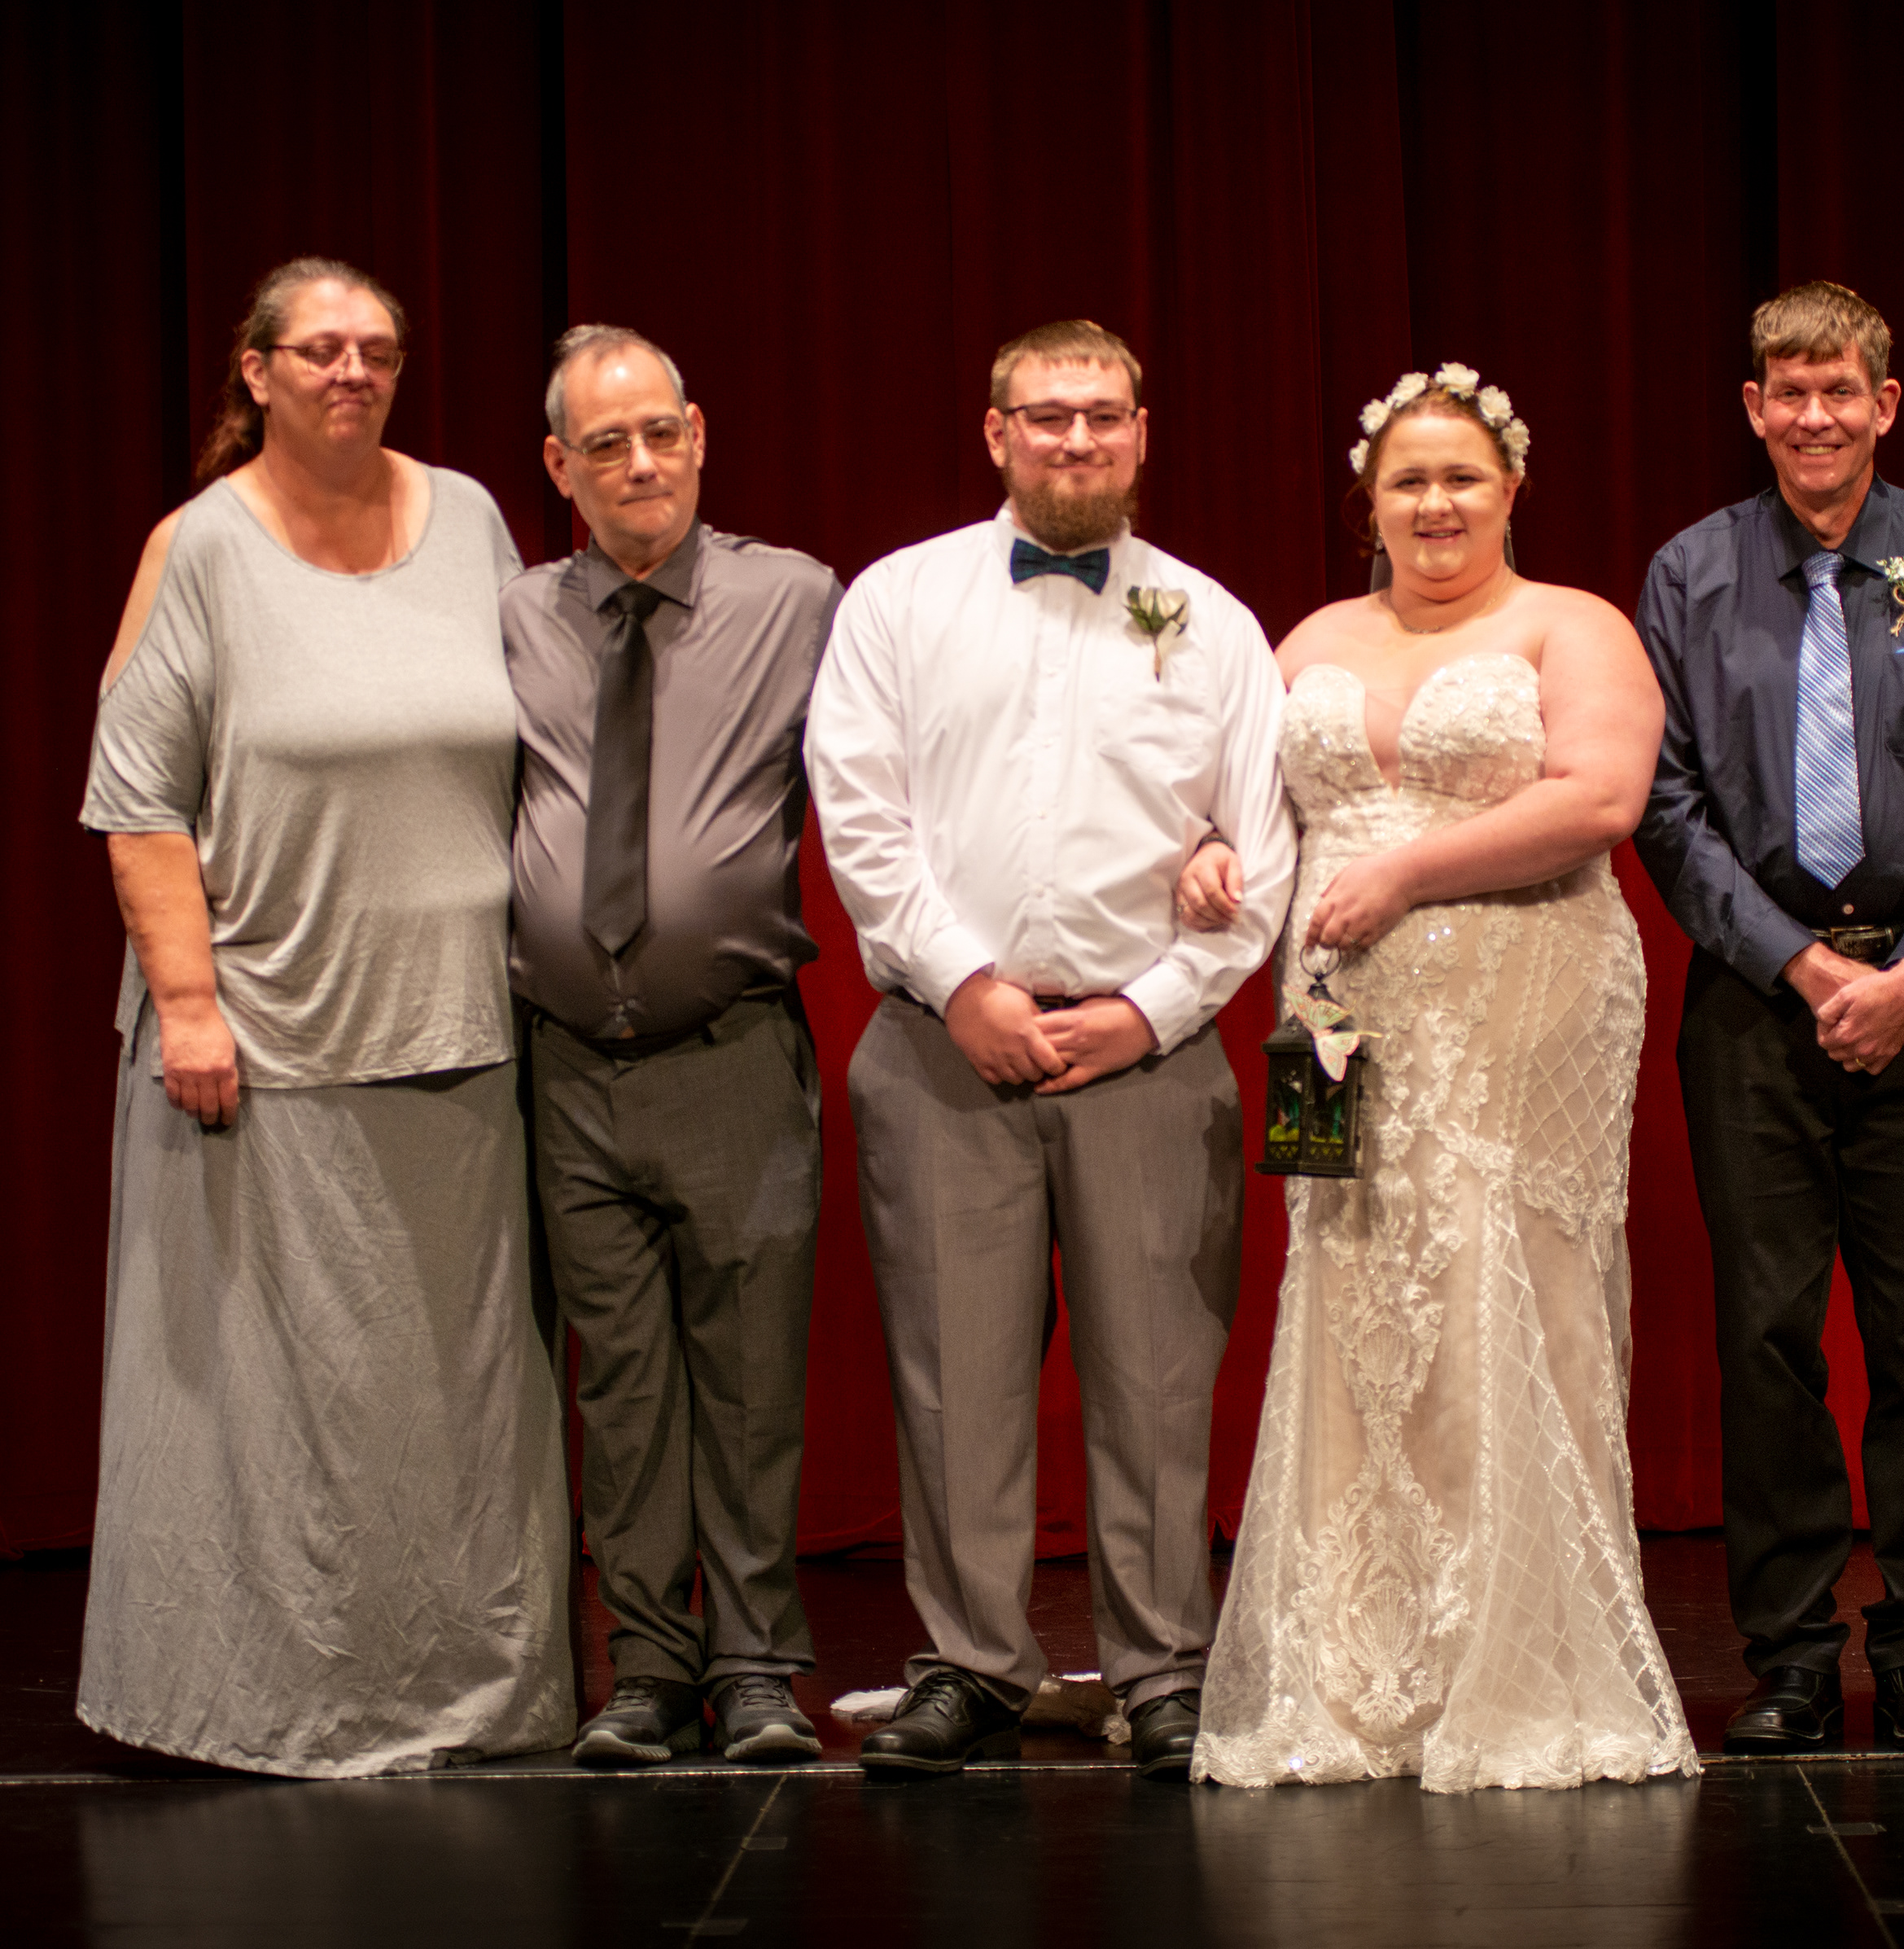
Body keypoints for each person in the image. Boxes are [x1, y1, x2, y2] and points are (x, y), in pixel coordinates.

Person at [77, 256, 570, 1776]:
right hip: (264, 1040)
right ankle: (257, 1706)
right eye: (320, 350)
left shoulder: (471, 519)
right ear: (258, 371)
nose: (352, 372)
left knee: (450, 1403)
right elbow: (138, 802)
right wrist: (188, 1006)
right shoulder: (201, 548)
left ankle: (468, 1700)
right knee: (263, 1408)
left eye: (378, 351)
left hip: (462, 1037)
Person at [1186, 365, 1697, 1792]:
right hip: (1337, 1018)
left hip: (1524, 999)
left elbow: (1600, 797)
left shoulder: (1569, 626)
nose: (1435, 503)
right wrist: (1213, 852)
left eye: (1461, 476)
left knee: (1498, 1280)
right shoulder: (1312, 637)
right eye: (1407, 480)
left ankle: (1516, 1661)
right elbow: (1244, 802)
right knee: (1353, 1290)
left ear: (1511, 489)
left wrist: (1408, 872)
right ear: (1370, 503)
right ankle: (1360, 1668)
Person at [803, 320, 1293, 1781]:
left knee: (1157, 1381)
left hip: (1149, 1050)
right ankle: (972, 1665)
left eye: (1102, 415)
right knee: (955, 1380)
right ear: (996, 432)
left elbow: (1262, 848)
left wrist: (1154, 1005)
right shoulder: (898, 602)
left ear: (1142, 432)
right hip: (944, 1043)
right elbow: (861, 814)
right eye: (1047, 414)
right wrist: (963, 985)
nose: (1076, 439)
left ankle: (1164, 1670)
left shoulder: (1212, 623)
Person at [1634, 281, 1904, 1757]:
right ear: (1754, 409)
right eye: (1788, 392)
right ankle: (1792, 1652)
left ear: (1885, 404)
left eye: (1840, 390)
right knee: (1767, 1336)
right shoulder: (1690, 572)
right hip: (1759, 1004)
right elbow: (1665, 804)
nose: (1815, 416)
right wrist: (1802, 967)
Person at [504, 325, 841, 1767]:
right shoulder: (515, 618)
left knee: (751, 1376)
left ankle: (755, 1666)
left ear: (698, 435)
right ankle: (646, 1665)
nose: (639, 463)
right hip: (571, 1065)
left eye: (660, 434)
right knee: (623, 1386)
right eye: (606, 444)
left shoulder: (797, 599)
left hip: (731, 1054)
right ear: (559, 465)